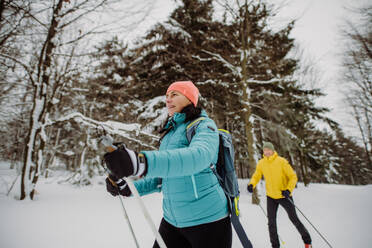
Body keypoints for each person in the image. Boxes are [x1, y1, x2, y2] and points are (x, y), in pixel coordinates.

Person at [104, 81, 232, 248]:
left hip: (208, 221)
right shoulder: (170, 132)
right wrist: (128, 187)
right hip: (172, 221)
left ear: (190, 98)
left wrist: (141, 162)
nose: (168, 99)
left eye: (174, 94)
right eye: (166, 96)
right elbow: (163, 179)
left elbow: (198, 157)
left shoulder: (205, 125)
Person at [247, 142, 312, 248]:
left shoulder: (281, 161)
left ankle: (307, 241)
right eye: (265, 150)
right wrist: (251, 184)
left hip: (284, 196)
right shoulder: (261, 163)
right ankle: (275, 246)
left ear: (273, 150)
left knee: (294, 219)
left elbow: (293, 177)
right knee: (271, 223)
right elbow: (256, 175)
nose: (267, 152)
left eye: (269, 150)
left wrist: (288, 190)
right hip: (271, 197)